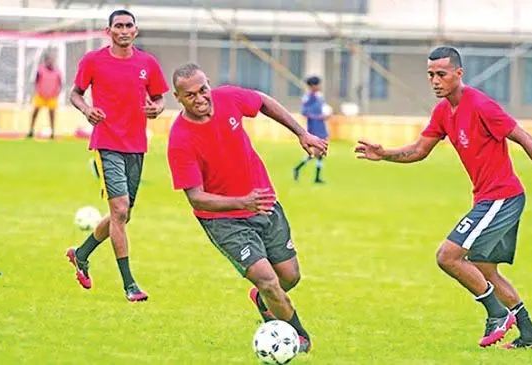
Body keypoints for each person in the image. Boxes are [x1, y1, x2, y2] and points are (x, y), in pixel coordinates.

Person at [354, 46, 532, 349]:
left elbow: (524, 137)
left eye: (441, 74)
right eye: (430, 75)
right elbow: (419, 151)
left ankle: (497, 314)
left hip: (502, 198)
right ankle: (531, 336)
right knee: (484, 269)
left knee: (448, 256)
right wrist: (384, 153)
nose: (435, 81)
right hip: (488, 199)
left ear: (459, 73)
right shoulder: (443, 111)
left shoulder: (482, 105)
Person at [166, 62, 327, 352]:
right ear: (177, 98)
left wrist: (302, 134)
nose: (200, 98)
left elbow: (263, 102)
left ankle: (264, 302)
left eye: (203, 90)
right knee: (268, 280)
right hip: (223, 220)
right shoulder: (180, 139)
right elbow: (196, 197)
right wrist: (242, 202)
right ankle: (298, 338)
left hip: (264, 203)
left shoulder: (228, 98)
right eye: (190, 95)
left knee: (289, 277)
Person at [65, 9, 169, 302]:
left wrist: (157, 108)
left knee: (121, 215)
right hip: (106, 143)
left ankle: (81, 254)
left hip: (136, 146)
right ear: (108, 31)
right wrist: (87, 110)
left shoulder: (148, 64)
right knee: (120, 211)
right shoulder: (93, 61)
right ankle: (129, 285)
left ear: (136, 31)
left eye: (128, 26)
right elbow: (75, 93)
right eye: (118, 26)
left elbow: (160, 97)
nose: (123, 30)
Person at [292, 76, 330, 184]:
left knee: (321, 152)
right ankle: (298, 168)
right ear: (313, 86)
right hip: (314, 127)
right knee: (316, 151)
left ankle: (317, 177)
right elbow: (304, 112)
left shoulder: (319, 97)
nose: (319, 86)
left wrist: (325, 116)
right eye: (318, 84)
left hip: (321, 126)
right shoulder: (308, 98)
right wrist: (318, 117)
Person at [27, 53, 62, 139]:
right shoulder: (40, 69)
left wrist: (57, 92)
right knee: (35, 112)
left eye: (52, 59)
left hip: (52, 96)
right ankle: (31, 130)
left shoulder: (57, 71)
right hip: (41, 95)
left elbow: (60, 83)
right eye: (49, 60)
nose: (50, 61)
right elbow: (36, 81)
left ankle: (52, 132)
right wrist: (38, 91)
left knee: (52, 114)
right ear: (45, 60)